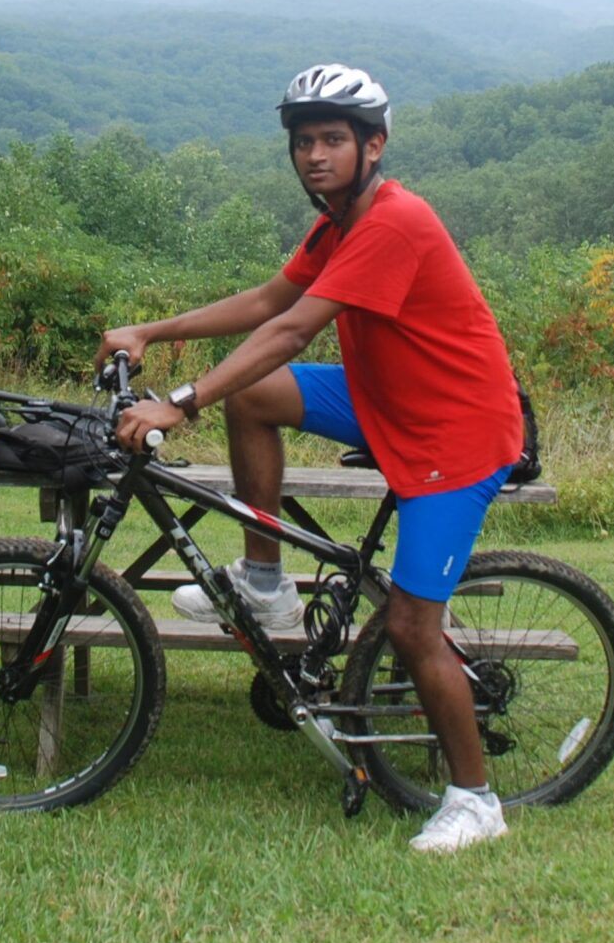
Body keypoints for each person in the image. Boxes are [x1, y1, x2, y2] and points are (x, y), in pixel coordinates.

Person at [99, 64, 525, 854]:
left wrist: (179, 403)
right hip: (382, 393)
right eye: (304, 143)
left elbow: (291, 334)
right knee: (255, 398)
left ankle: (474, 799)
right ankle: (265, 583)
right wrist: (151, 332)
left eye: (334, 140)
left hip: (452, 429)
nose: (316, 156)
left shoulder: (395, 222)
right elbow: (269, 302)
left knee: (409, 624)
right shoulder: (337, 225)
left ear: (375, 146)